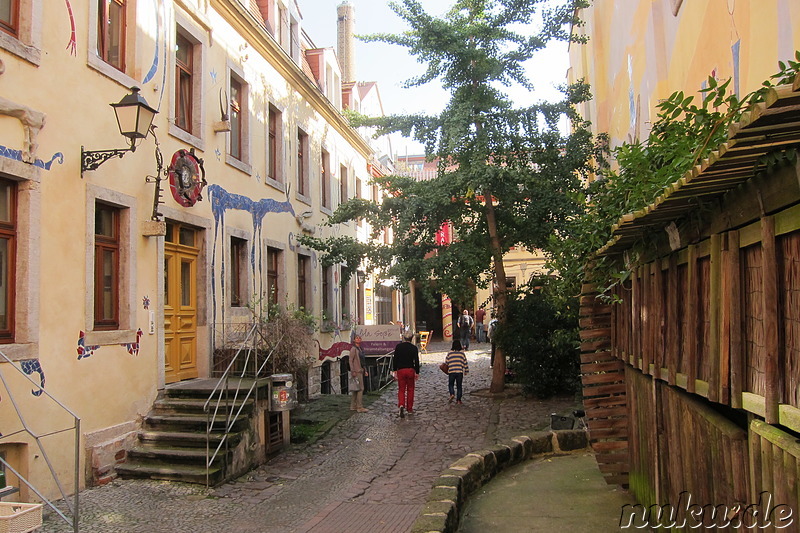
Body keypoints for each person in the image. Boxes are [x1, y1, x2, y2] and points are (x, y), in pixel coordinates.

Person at [392, 331, 420, 418]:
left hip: (401, 370)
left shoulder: (398, 347)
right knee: (410, 389)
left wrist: (394, 370)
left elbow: (395, 358)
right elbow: (416, 361)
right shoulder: (414, 348)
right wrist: (417, 372)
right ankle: (409, 408)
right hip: (410, 370)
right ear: (412, 338)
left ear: (404, 338)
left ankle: (401, 404)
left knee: (401, 389)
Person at [348, 336, 368, 413]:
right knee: (360, 388)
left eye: (359, 338)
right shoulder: (353, 349)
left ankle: (353, 406)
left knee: (355, 389)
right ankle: (359, 407)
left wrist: (365, 370)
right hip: (357, 371)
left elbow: (363, 361)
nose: (358, 339)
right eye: (357, 338)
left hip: (361, 370)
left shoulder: (360, 349)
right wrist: (352, 370)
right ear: (354, 340)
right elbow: (350, 360)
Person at [445, 340, 469, 404]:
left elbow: (446, 362)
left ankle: (452, 393)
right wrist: (466, 370)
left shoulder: (449, 353)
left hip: (451, 371)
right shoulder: (462, 353)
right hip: (459, 372)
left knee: (451, 384)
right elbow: (465, 362)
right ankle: (458, 400)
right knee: (459, 386)